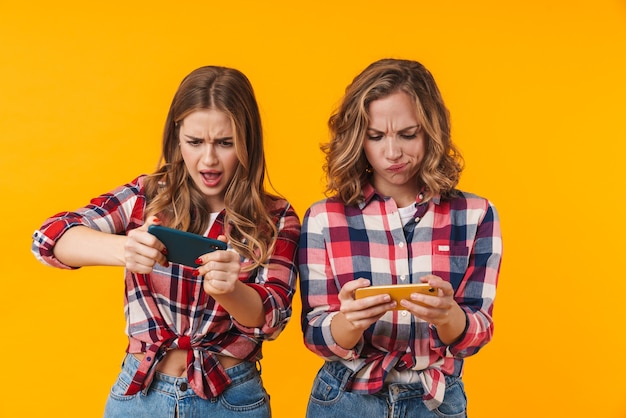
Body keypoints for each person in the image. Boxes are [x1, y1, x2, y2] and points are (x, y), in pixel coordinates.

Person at [31, 66, 300, 417]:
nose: (209, 160)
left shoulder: (275, 217)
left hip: (231, 397)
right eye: (195, 142)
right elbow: (48, 239)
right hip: (142, 392)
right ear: (176, 138)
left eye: (225, 143)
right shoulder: (145, 197)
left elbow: (272, 318)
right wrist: (124, 249)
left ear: (248, 142)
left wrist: (230, 291)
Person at [298, 58, 502, 417]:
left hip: (435, 400)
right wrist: (349, 321)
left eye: (408, 134)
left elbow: (478, 330)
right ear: (357, 139)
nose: (392, 153)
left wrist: (448, 316)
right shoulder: (323, 219)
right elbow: (316, 334)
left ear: (431, 131)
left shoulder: (475, 215)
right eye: (375, 137)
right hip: (346, 398)